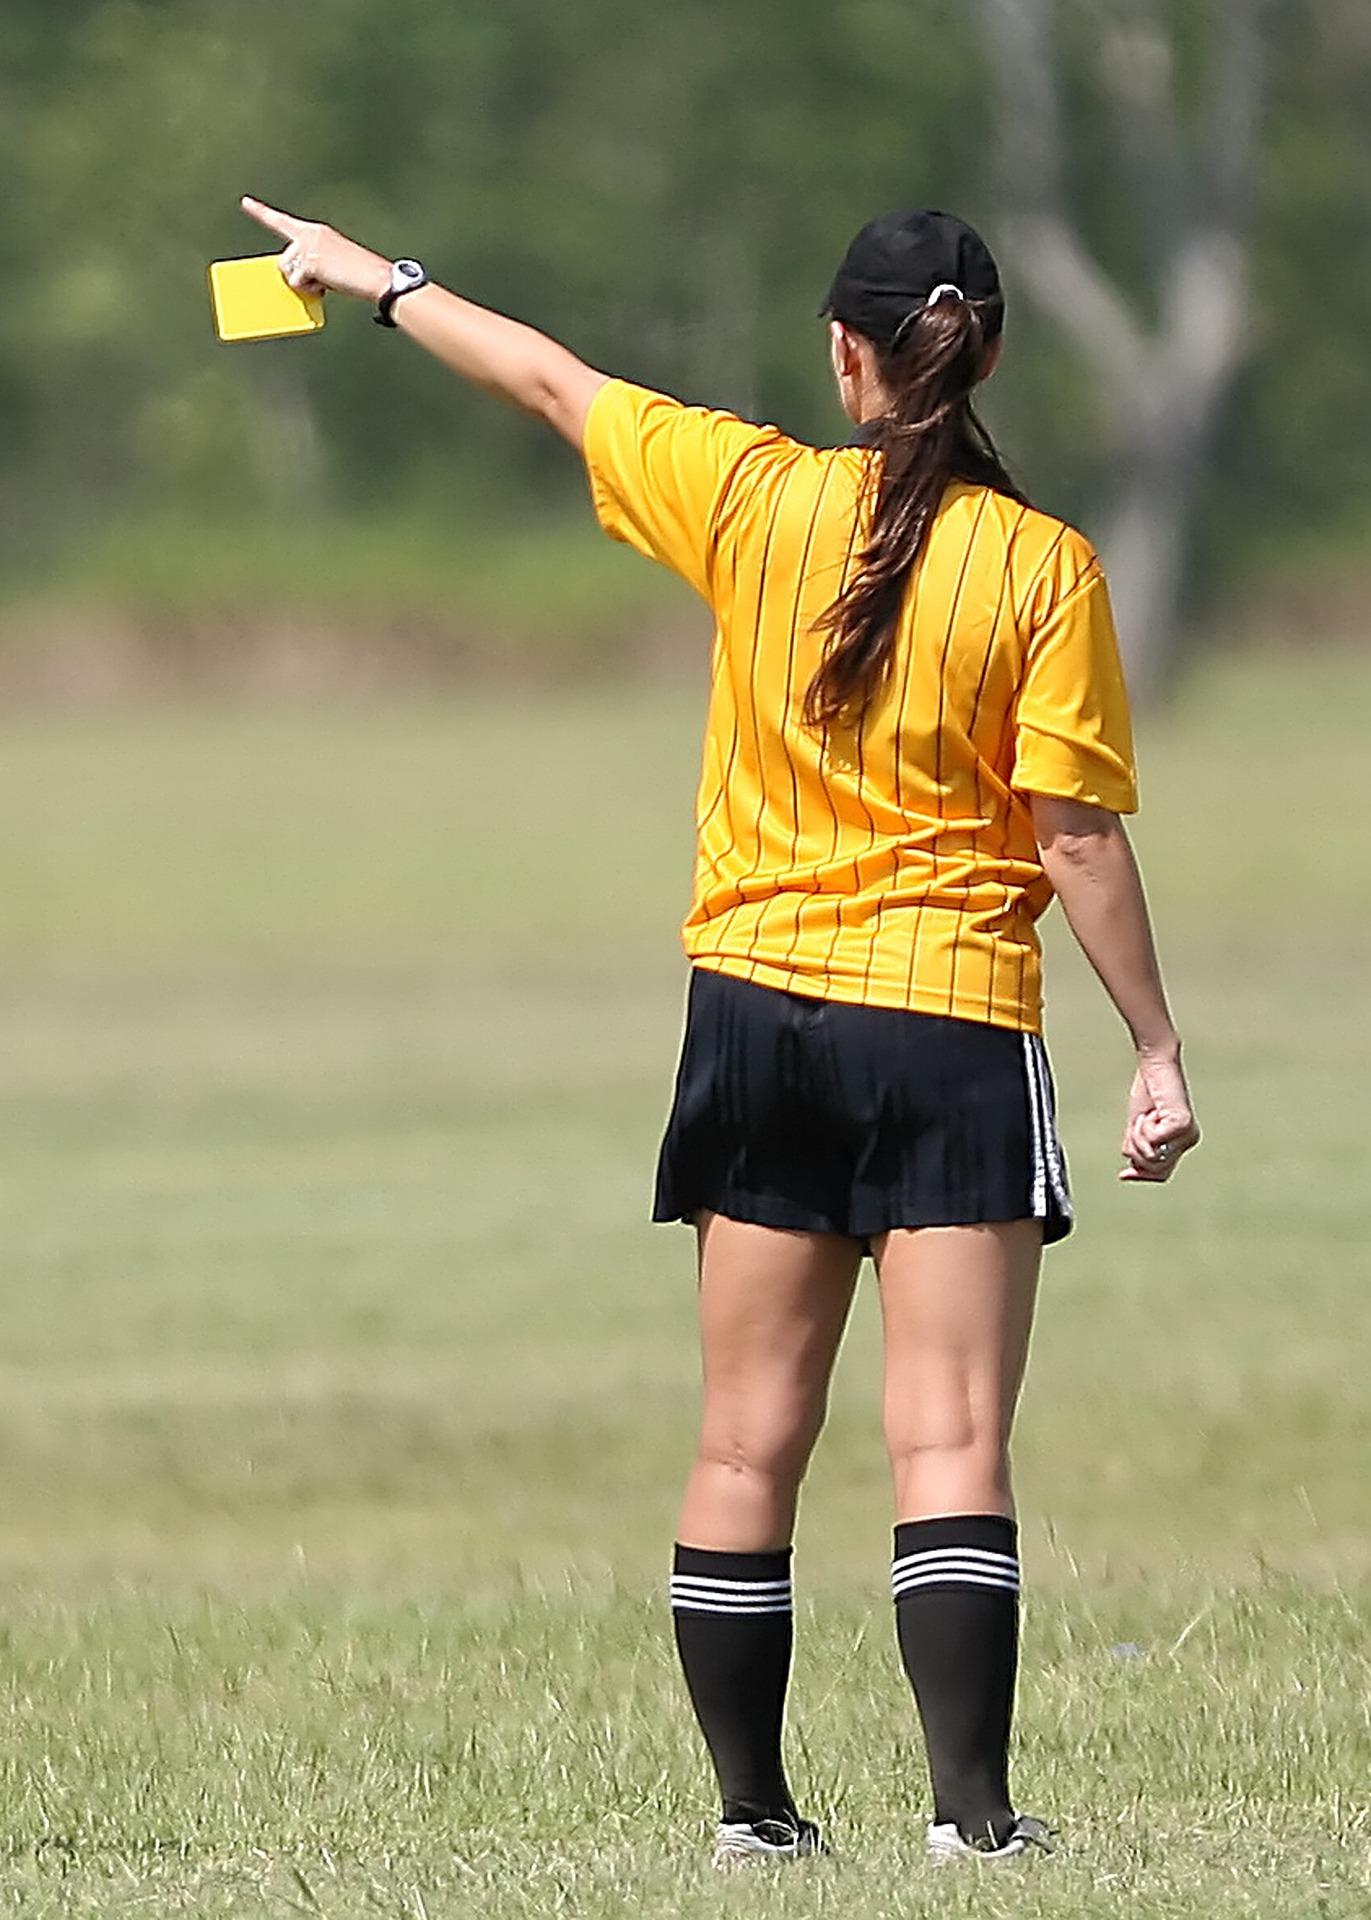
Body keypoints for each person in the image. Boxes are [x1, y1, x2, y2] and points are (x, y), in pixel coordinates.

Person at [240, 196, 1200, 1866]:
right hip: (952, 1020)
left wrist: (374, 283)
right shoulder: (1047, 567)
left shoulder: (751, 497)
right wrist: (1159, 1047)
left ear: (845, 356)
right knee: (950, 1435)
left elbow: (547, 382)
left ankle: (753, 1818)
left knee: (745, 1436)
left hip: (756, 1017)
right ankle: (973, 1824)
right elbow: (1078, 840)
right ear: (980, 353)